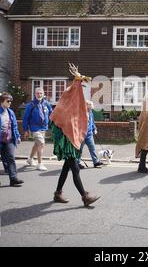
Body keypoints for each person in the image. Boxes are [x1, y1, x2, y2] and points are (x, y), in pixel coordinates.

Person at [51, 63, 100, 206]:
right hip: (67, 142)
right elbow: (58, 119)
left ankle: (58, 193)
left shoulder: (77, 103)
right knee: (75, 169)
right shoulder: (67, 100)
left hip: (73, 140)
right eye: (82, 86)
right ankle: (85, 196)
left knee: (67, 168)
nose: (83, 90)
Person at [23, 87, 53, 171]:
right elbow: (25, 118)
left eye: (41, 93)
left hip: (44, 128)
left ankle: (30, 159)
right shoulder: (31, 105)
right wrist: (26, 130)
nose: (39, 95)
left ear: (43, 94)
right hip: (34, 128)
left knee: (37, 144)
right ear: (34, 94)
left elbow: (51, 114)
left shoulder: (46, 104)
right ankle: (40, 164)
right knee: (41, 143)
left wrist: (54, 123)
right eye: (37, 93)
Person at [76, 100, 104, 169]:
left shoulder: (91, 112)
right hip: (81, 135)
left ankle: (96, 162)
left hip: (89, 134)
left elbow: (92, 122)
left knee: (92, 148)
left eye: (91, 107)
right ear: (86, 106)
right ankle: (77, 163)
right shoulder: (80, 113)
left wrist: (94, 129)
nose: (91, 108)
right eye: (90, 106)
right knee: (79, 150)